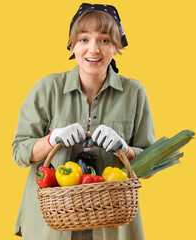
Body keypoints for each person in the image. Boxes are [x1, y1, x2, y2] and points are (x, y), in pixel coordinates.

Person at [12, 3, 155, 240]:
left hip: (112, 226)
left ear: (116, 48)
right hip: (51, 226)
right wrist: (51, 138)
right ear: (72, 45)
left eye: (105, 40)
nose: (94, 49)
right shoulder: (47, 89)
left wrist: (125, 149)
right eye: (84, 39)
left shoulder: (135, 93)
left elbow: (149, 165)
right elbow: (19, 152)